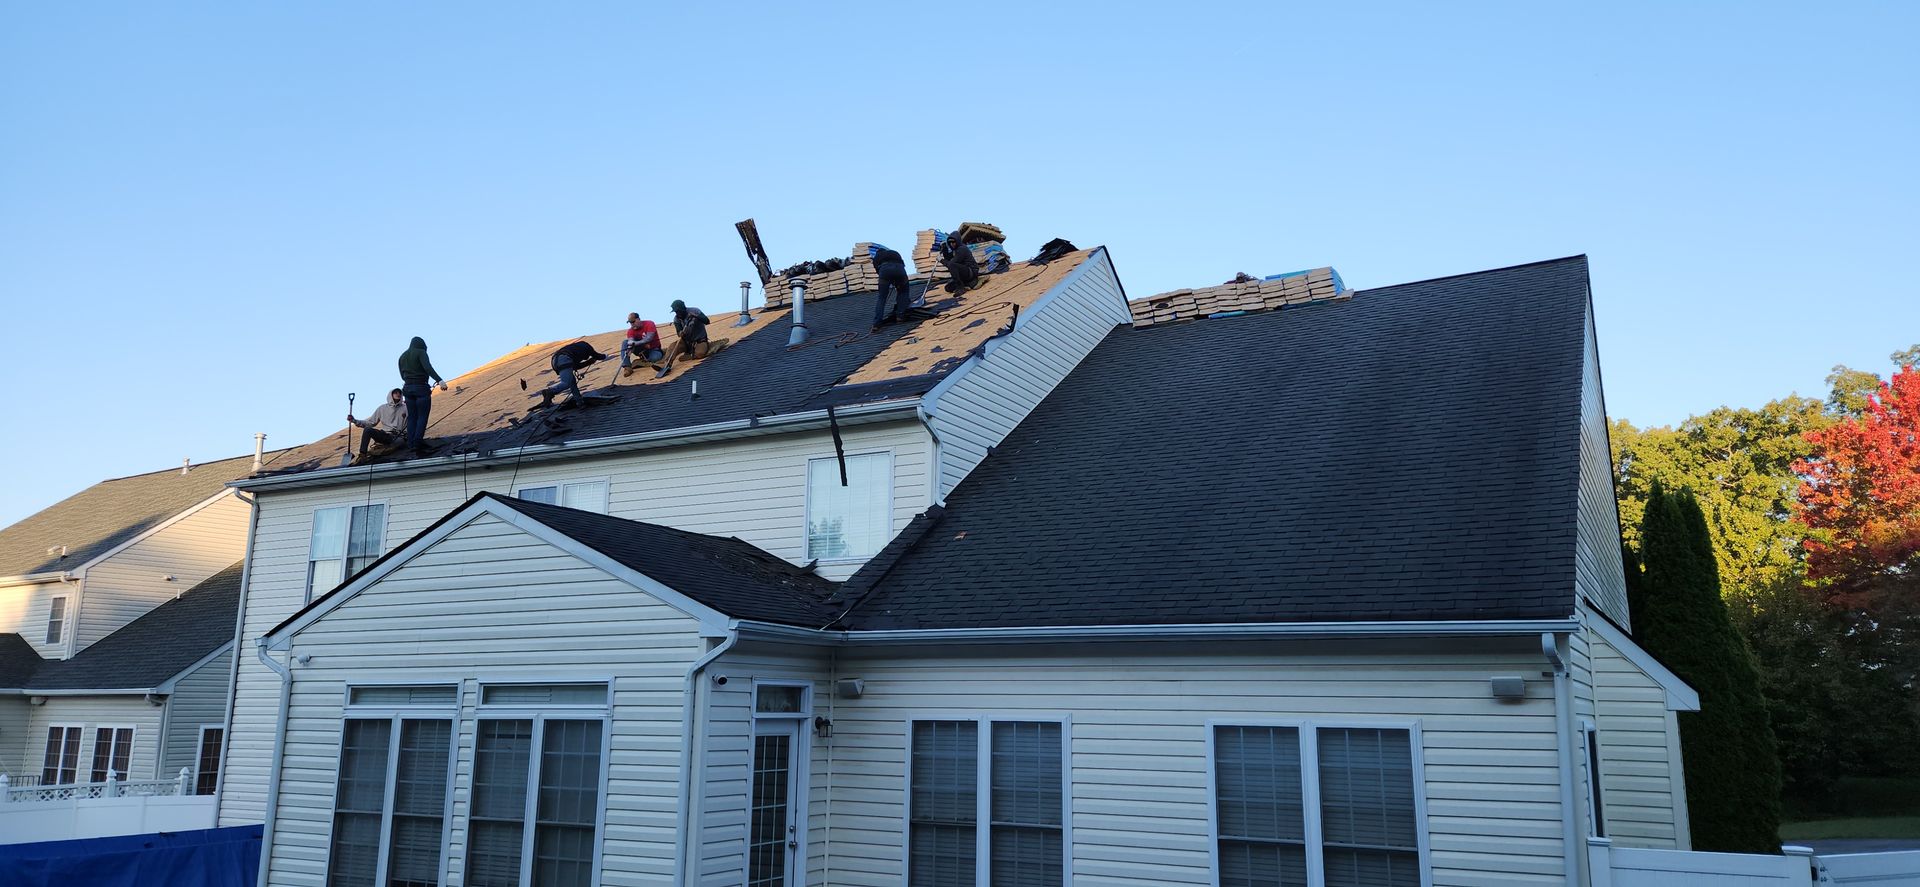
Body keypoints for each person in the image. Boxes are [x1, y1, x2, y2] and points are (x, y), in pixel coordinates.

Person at [397, 336, 448, 450]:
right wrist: (439, 380)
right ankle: (417, 442)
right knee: (422, 416)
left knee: (412, 417)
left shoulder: (402, 356)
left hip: (407, 389)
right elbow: (427, 367)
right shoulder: (420, 352)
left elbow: (401, 375)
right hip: (421, 387)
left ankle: (410, 444)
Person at [655, 299, 729, 376]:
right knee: (672, 347)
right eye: (676, 312)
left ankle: (690, 355)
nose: (677, 313)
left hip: (699, 340)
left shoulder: (695, 311)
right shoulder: (676, 319)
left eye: (678, 311)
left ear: (682, 309)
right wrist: (681, 333)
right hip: (686, 342)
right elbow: (678, 332)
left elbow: (707, 321)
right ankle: (666, 364)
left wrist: (696, 316)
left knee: (700, 353)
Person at [537, 340, 609, 408]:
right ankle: (550, 391)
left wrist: (589, 362)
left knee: (572, 381)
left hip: (555, 360)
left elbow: (575, 366)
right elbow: (598, 356)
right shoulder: (587, 346)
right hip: (564, 358)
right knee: (567, 383)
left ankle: (580, 402)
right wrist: (605, 356)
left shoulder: (574, 349)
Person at [348, 389, 407, 454]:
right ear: (391, 395)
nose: (398, 394)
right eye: (395, 393)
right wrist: (354, 420)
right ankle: (363, 454)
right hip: (386, 435)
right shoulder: (382, 408)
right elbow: (371, 423)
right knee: (368, 430)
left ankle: (388, 449)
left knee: (400, 442)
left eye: (399, 393)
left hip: (399, 436)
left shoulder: (406, 408)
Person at [871, 244, 912, 329]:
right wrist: (896, 283)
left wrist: (888, 282)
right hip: (900, 270)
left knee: (882, 297)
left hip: (885, 271)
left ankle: (877, 323)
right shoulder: (895, 253)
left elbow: (878, 271)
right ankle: (900, 316)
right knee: (903, 292)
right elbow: (903, 265)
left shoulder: (877, 257)